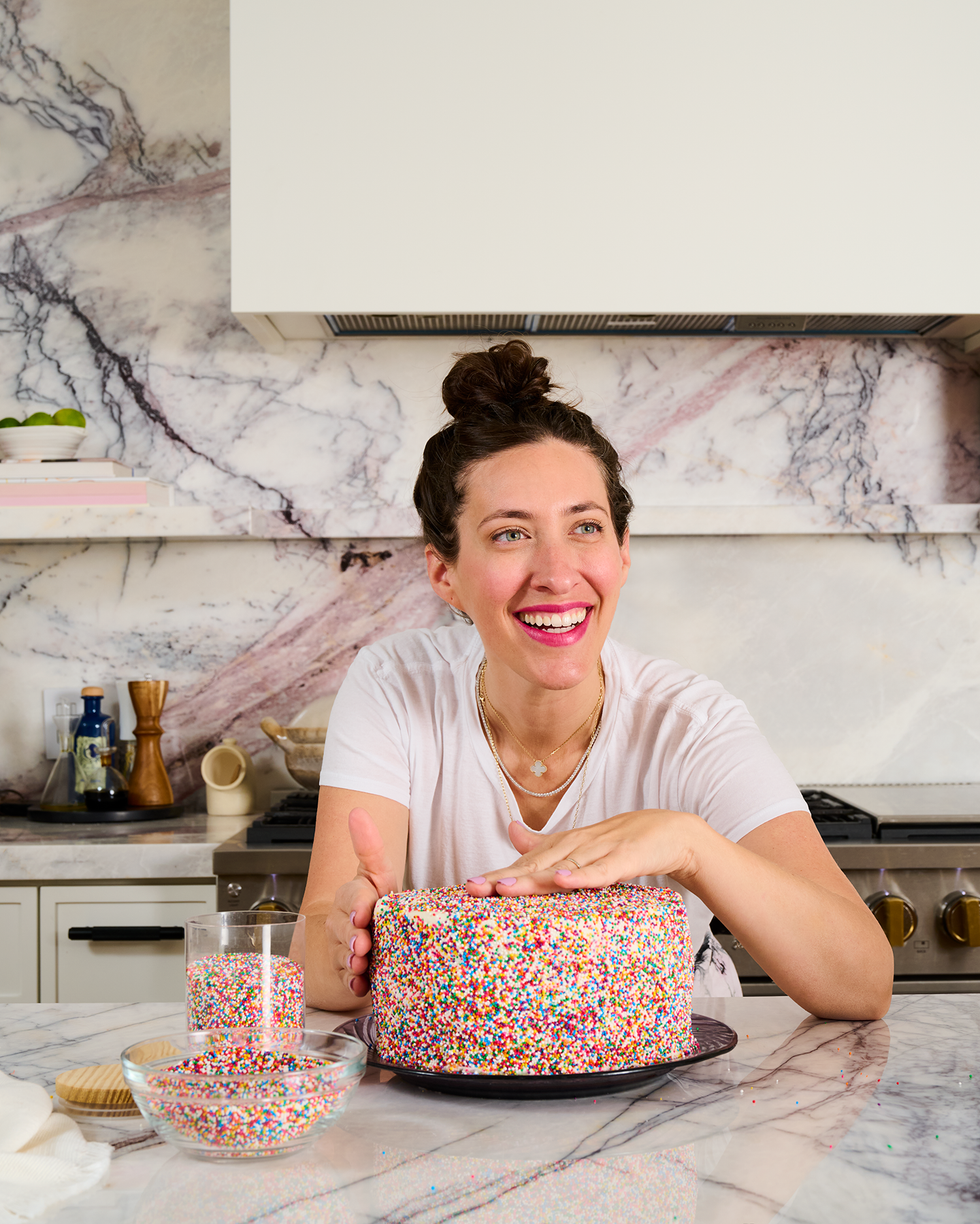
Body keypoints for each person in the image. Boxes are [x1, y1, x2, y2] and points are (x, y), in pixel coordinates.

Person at [300, 340, 892, 1019]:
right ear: (444, 574)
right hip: (462, 1090)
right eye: (510, 535)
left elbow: (864, 983)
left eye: (585, 527)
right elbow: (316, 963)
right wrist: (356, 935)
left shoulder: (692, 723)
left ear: (622, 552)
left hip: (673, 1092)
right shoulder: (393, 686)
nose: (557, 572)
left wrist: (689, 845)